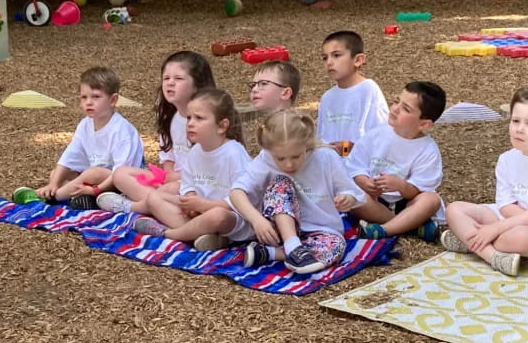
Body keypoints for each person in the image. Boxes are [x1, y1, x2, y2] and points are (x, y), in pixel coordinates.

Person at [442, 87, 528, 277]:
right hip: (511, 219)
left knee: (520, 237)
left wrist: (495, 229)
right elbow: (505, 204)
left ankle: (469, 240)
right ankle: (493, 256)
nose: (519, 129)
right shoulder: (507, 159)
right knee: (455, 209)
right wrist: (501, 225)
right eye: (515, 121)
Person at [229, 110, 365, 275]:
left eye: (296, 156)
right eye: (280, 159)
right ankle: (293, 246)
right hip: (279, 230)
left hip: (321, 230)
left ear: (306, 144)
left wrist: (347, 198)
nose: (288, 165)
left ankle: (271, 253)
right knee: (280, 183)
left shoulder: (326, 157)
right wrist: (257, 220)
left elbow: (350, 190)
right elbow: (236, 192)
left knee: (337, 246)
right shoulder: (266, 159)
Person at [132, 88, 253, 250]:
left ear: (222, 126)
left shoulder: (234, 154)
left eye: (199, 118)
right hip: (199, 212)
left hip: (231, 218)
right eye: (189, 118)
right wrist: (190, 200)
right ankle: (204, 235)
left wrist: (202, 205)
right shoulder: (195, 152)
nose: (190, 123)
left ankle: (168, 233)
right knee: (154, 197)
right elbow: (187, 184)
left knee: (217, 216)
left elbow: (242, 201)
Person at [98, 51, 215, 214]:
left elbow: (212, 167)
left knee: (163, 193)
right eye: (166, 78)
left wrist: (177, 180)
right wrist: (168, 176)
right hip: (173, 182)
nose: (170, 83)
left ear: (198, 84)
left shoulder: (206, 121)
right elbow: (168, 159)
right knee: (120, 174)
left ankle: (135, 206)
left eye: (178, 78)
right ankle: (165, 206)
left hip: (199, 184)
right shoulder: (170, 118)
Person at [12, 66, 143, 210]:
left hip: (123, 184)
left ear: (113, 100)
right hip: (95, 180)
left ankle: (48, 198)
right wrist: (53, 183)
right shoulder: (85, 124)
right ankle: (77, 196)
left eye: (96, 97)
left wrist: (96, 189)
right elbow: (70, 156)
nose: (89, 102)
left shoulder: (121, 130)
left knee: (93, 173)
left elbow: (120, 173)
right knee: (57, 173)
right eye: (84, 97)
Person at [346, 81, 447, 243]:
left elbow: (418, 190)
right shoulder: (375, 135)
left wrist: (400, 185)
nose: (395, 109)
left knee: (431, 200)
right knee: (351, 196)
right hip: (375, 202)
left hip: (407, 203)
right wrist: (365, 182)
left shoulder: (427, 150)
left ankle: (385, 230)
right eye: (396, 101)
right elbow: (354, 167)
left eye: (405, 108)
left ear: (424, 124)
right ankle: (412, 226)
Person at [316, 30, 389, 156]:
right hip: (331, 168)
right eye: (325, 57)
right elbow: (321, 137)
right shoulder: (327, 97)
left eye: (336, 55)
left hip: (361, 170)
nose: (329, 62)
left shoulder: (368, 90)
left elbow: (381, 136)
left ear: (358, 60)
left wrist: (348, 148)